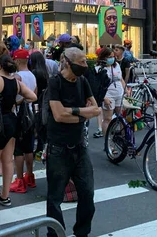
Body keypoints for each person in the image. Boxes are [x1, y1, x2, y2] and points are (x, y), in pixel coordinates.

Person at [46, 47, 99, 237]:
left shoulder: (82, 81)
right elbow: (58, 115)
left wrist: (73, 112)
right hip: (58, 149)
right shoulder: (55, 83)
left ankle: (82, 233)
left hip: (79, 147)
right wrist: (82, 114)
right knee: (54, 199)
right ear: (67, 62)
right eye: (82, 62)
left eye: (86, 61)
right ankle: (55, 234)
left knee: (87, 194)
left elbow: (96, 109)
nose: (85, 65)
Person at [0, 55, 37, 206]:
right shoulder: (16, 82)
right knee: (8, 160)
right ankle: (4, 195)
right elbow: (33, 96)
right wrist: (17, 101)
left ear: (0, 67)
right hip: (11, 121)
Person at [10, 48, 37, 193]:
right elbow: (34, 94)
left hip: (19, 116)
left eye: (14, 59)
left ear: (18, 61)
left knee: (18, 150)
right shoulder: (32, 76)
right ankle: (30, 177)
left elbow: (16, 97)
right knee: (29, 147)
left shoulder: (17, 77)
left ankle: (19, 180)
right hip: (30, 115)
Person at [100, 48, 125, 137]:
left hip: (119, 93)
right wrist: (104, 97)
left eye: (113, 56)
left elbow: (121, 79)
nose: (112, 58)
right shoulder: (100, 68)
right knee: (108, 118)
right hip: (108, 94)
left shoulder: (116, 65)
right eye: (109, 57)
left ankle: (124, 139)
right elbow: (98, 85)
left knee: (121, 117)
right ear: (103, 57)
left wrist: (125, 90)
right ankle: (108, 143)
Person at [29, 51, 50, 155]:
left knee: (35, 123)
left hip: (36, 100)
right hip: (43, 100)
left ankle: (36, 147)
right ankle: (41, 147)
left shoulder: (34, 73)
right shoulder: (45, 72)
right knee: (41, 123)